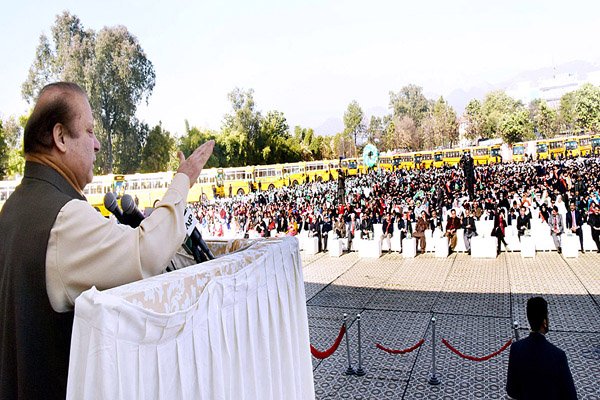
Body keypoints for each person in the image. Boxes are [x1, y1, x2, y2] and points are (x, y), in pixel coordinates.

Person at [0, 82, 215, 399]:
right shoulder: (63, 218)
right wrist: (183, 180)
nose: (97, 144)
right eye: (88, 131)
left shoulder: (14, 208)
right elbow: (147, 253)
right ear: (60, 137)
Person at [506, 297, 577, 400]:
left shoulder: (516, 348)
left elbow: (512, 391)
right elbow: (570, 395)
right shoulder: (558, 355)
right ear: (544, 321)